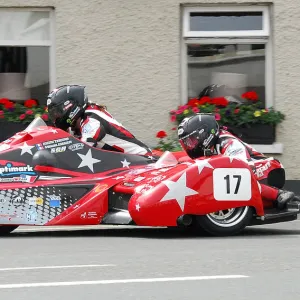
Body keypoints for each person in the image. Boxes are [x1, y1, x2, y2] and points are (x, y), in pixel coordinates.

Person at [177, 113, 296, 210]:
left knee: (235, 174)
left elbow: (242, 167)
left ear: (204, 134)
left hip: (266, 168)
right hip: (247, 169)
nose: (190, 146)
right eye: (186, 143)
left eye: (191, 141)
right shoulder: (210, 146)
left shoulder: (228, 142)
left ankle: (278, 194)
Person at [46, 84, 153, 156]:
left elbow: (83, 149)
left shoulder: (92, 120)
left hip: (142, 161)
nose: (56, 117)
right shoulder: (76, 124)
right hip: (125, 165)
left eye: (57, 112)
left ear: (70, 106)